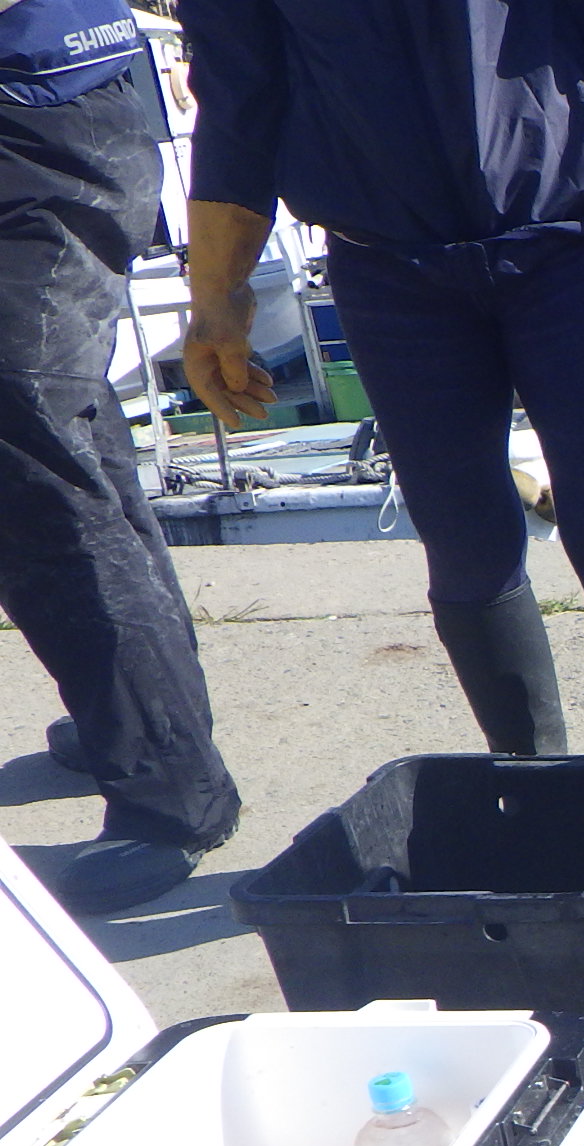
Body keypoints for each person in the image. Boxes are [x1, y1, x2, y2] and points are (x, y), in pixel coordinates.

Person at [174, 0, 584, 901]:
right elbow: (239, 94)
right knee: (466, 543)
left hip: (577, 243)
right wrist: (215, 291)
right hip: (390, 267)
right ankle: (539, 813)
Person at [2, 0, 243, 913]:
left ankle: (169, 794)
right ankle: (144, 726)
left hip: (32, 115)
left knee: (35, 472)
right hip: (62, 94)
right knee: (70, 435)